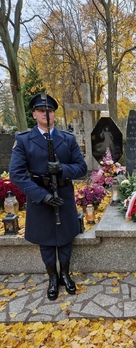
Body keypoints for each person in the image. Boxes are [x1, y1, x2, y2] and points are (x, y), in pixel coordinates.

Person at [9, 93, 87, 300]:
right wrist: (41, 195)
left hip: (63, 194)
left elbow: (82, 168)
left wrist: (62, 169)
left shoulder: (67, 139)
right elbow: (16, 173)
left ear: (54, 114)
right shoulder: (24, 140)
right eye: (42, 110)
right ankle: (52, 278)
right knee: (45, 240)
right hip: (39, 196)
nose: (46, 114)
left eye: (50, 111)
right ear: (34, 114)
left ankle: (65, 275)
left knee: (65, 238)